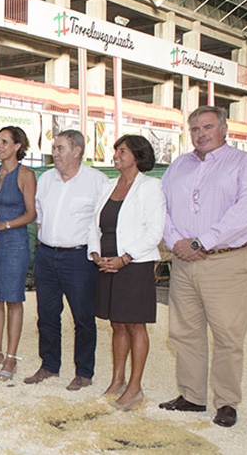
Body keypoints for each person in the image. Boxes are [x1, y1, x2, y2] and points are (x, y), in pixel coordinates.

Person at [159, 106, 247, 428]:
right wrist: (178, 241)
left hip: (227, 261)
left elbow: (243, 214)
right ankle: (192, 396)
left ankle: (227, 402)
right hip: (183, 262)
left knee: (227, 336)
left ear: (224, 129)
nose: (201, 134)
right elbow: (160, 206)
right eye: (195, 129)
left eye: (207, 127)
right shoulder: (178, 166)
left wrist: (199, 242)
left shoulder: (246, 165)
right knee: (184, 332)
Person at [24, 130, 108, 390]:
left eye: (60, 148)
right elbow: (38, 216)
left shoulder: (98, 181)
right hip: (47, 255)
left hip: (79, 259)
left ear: (77, 151)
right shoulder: (46, 178)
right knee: (46, 315)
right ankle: (49, 365)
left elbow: (103, 223)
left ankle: (84, 372)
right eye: (54, 148)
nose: (55, 153)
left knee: (83, 318)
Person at [88, 135, 165, 411]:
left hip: (135, 266)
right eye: (116, 151)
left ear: (137, 155)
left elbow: (154, 231)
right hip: (106, 263)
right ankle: (117, 380)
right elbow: (94, 224)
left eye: (122, 151)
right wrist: (95, 254)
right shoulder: (108, 186)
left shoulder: (151, 187)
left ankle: (135, 388)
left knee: (135, 325)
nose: (116, 155)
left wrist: (125, 258)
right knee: (116, 324)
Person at [0, 126, 37, 381]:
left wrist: (5, 224)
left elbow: (31, 213)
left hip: (14, 242)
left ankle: (12, 357)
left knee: (13, 299)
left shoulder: (26, 175)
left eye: (4, 142)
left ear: (17, 146)